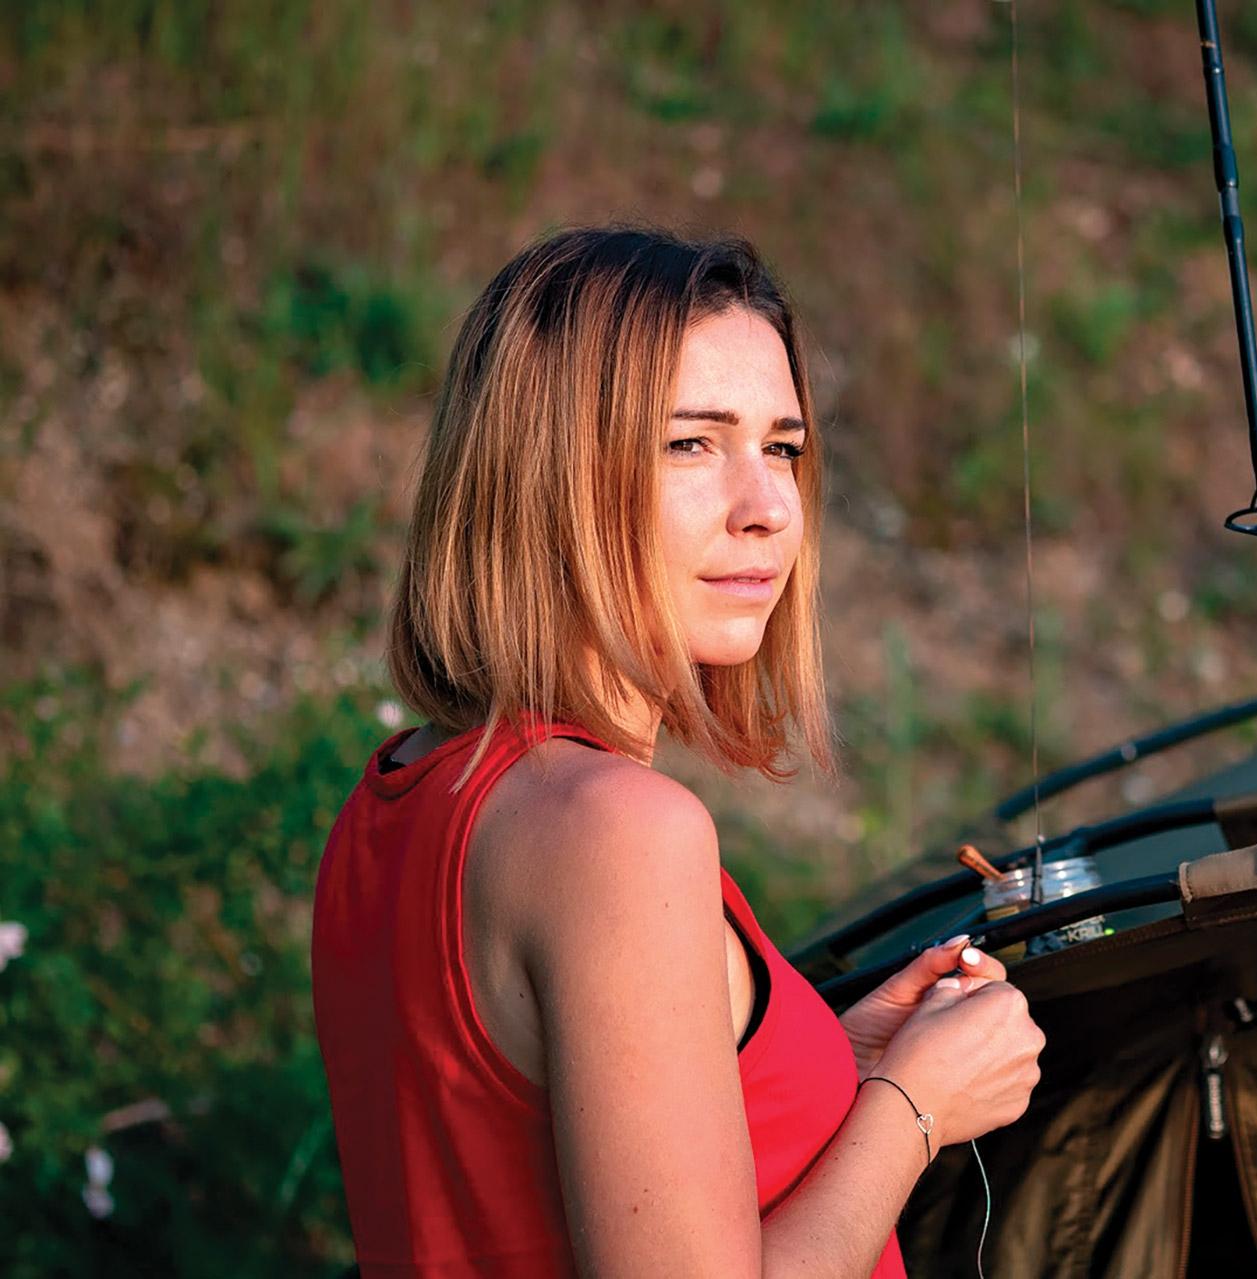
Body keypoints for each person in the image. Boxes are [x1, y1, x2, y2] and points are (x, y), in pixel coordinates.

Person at [309, 224, 1045, 1277]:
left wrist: (822, 1064)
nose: (770, 508)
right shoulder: (617, 831)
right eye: (692, 444)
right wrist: (914, 1107)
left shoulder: (396, 797)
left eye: (782, 447)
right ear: (549, 477)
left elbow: (521, 1159)